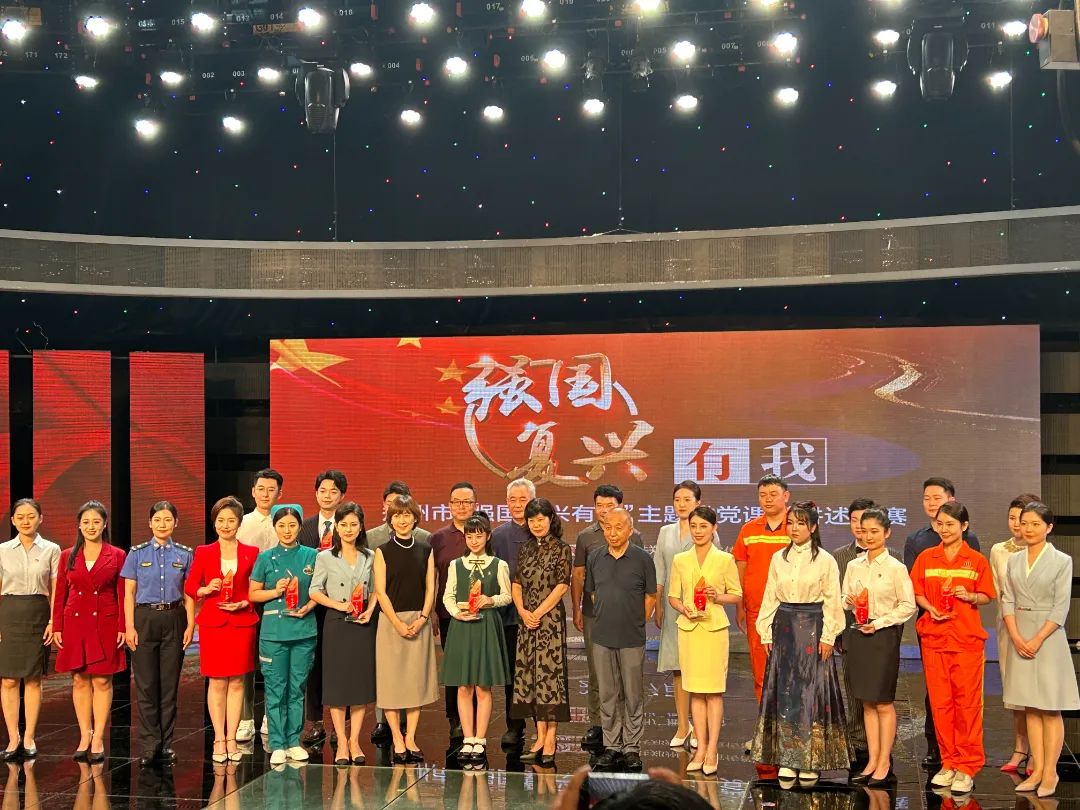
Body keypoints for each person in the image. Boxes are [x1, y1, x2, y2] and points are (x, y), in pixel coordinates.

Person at [751, 500, 848, 783]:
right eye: (790, 523)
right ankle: (787, 757)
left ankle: (810, 759)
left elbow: (832, 600)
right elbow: (770, 596)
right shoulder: (778, 558)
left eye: (801, 523)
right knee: (786, 692)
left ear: (813, 527)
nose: (794, 528)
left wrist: (829, 635)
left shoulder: (825, 560)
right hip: (784, 627)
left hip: (813, 626)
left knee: (811, 692)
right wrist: (765, 630)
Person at [911, 501, 994, 795]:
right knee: (941, 704)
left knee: (967, 705)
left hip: (966, 640)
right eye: (940, 524)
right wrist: (930, 607)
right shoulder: (926, 557)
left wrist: (970, 596)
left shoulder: (976, 560)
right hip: (934, 639)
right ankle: (949, 762)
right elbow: (917, 591)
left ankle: (967, 765)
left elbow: (987, 595)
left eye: (950, 524)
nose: (944, 529)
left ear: (964, 526)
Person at [1001, 502, 1080, 797]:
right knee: (1030, 706)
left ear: (1049, 527)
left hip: (1048, 638)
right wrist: (1015, 635)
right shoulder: (1014, 560)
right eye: (1025, 523)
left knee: (1049, 706)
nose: (1029, 529)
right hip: (1019, 633)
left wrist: (1036, 639)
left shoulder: (1061, 560)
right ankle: (1036, 770)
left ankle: (1050, 772)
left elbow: (1061, 607)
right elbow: (1007, 599)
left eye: (1035, 524)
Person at [903, 477, 981, 770]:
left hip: (962, 629)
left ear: (952, 500)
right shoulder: (916, 541)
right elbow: (913, 586)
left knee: (963, 694)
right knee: (935, 690)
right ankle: (936, 747)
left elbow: (979, 586)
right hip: (931, 625)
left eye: (937, 498)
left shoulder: (970, 540)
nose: (931, 503)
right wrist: (930, 607)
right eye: (927, 498)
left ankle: (964, 754)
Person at [841, 508, 916, 786]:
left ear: (887, 533)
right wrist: (848, 600)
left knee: (883, 701)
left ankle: (884, 760)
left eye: (875, 531)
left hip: (883, 636)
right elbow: (843, 599)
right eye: (865, 531)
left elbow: (908, 605)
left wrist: (881, 623)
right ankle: (872, 760)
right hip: (858, 633)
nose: (869, 536)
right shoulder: (854, 566)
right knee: (866, 702)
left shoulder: (896, 567)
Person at [666, 506, 741, 776]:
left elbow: (737, 594)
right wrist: (683, 608)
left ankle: (712, 750)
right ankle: (699, 749)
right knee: (695, 691)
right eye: (694, 526)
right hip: (689, 629)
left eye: (704, 526)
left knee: (714, 692)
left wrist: (717, 596)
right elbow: (673, 596)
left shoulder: (724, 559)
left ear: (714, 528)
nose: (698, 531)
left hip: (714, 629)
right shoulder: (680, 559)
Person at [184, 496, 259, 764]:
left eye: (231, 520)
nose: (226, 525)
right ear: (214, 522)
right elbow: (191, 586)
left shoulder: (251, 552)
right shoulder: (204, 551)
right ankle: (218, 738)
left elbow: (256, 588)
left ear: (239, 523)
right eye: (221, 520)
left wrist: (245, 602)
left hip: (241, 623)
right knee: (217, 681)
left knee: (237, 681)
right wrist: (206, 589)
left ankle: (232, 738)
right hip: (214, 624)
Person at [121, 501, 196, 767]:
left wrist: (190, 625)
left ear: (176, 523)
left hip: (174, 618)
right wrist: (129, 627)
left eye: (167, 519)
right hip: (144, 619)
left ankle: (165, 744)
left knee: (169, 685)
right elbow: (129, 593)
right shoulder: (136, 554)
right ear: (150, 523)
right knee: (146, 685)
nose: (162, 524)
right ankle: (149, 744)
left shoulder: (185, 554)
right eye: (157, 520)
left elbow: (189, 594)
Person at [52, 501, 127, 762]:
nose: (91, 527)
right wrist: (57, 625)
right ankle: (85, 735)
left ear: (104, 524)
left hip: (106, 622)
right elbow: (60, 593)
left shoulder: (117, 555)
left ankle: (98, 738)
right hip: (75, 622)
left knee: (102, 680)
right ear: (79, 525)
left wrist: (123, 626)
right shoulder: (67, 555)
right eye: (86, 522)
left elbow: (122, 593)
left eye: (96, 522)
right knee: (80, 679)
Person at [571, 484, 644, 749]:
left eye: (609, 506)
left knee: (626, 675)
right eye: (599, 505)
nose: (603, 511)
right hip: (595, 615)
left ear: (621, 507)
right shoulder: (585, 537)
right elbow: (578, 575)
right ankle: (598, 724)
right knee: (597, 671)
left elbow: (641, 579)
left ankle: (624, 726)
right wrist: (576, 608)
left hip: (625, 616)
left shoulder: (635, 537)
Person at [585, 507, 656, 773]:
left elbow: (651, 597)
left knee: (633, 694)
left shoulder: (642, 558)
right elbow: (593, 593)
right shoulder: (595, 557)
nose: (612, 532)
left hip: (631, 636)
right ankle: (612, 745)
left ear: (630, 529)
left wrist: (636, 620)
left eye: (618, 527)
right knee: (607, 693)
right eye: (608, 527)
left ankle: (632, 747)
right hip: (602, 636)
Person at [440, 511, 512, 768]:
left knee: (483, 686)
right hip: (462, 626)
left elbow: (507, 596)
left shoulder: (498, 565)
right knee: (463, 686)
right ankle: (467, 738)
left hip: (486, 625)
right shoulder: (456, 565)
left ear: (487, 537)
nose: (474, 541)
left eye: (478, 536)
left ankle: (480, 739)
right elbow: (447, 596)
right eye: (470, 536)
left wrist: (489, 600)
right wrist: (456, 612)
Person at [250, 505, 319, 766]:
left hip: (303, 631)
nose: (287, 530)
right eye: (282, 526)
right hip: (274, 634)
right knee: (276, 688)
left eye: (292, 525)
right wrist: (275, 591)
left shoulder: (312, 556)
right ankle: (278, 743)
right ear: (274, 528)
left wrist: (309, 606)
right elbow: (253, 593)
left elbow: (320, 590)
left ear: (300, 527)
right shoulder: (265, 558)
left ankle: (293, 741)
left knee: (297, 688)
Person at [309, 501, 377, 767]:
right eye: (344, 524)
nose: (349, 529)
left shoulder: (370, 556)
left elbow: (376, 590)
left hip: (362, 623)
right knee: (337, 686)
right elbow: (315, 590)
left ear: (361, 527)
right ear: (336, 527)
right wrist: (338, 605)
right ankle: (340, 741)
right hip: (337, 623)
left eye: (353, 524)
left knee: (359, 685)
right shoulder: (325, 557)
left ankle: (354, 741)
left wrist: (369, 610)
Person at [373, 494, 439, 764]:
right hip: (391, 623)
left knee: (415, 683)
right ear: (391, 519)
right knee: (391, 684)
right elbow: (380, 591)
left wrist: (423, 618)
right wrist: (397, 623)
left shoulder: (425, 549)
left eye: (407, 515)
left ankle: (410, 737)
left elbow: (431, 587)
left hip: (418, 621)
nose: (402, 520)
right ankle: (397, 739)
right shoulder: (382, 551)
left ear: (415, 518)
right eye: (397, 515)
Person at [654, 481, 715, 753]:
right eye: (677, 499)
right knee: (678, 668)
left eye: (687, 499)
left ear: (698, 503)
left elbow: (715, 568)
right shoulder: (665, 532)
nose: (681, 504)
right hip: (672, 606)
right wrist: (658, 604)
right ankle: (682, 725)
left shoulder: (706, 530)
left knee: (697, 667)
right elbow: (659, 570)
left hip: (700, 608)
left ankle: (700, 727)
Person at [512, 497, 572, 768]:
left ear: (550, 519)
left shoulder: (561, 549)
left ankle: (551, 739)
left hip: (549, 621)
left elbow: (562, 586)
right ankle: (538, 736)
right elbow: (516, 583)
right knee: (531, 677)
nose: (536, 524)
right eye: (532, 520)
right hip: (527, 621)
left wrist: (537, 612)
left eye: (541, 519)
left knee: (550, 678)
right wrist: (523, 612)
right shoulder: (525, 549)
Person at [0, 498, 59, 760]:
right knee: (9, 679)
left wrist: (53, 621)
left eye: (31, 516)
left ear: (40, 518)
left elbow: (56, 588)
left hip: (38, 613)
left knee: (34, 678)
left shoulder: (51, 549)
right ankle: (13, 737)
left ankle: (30, 737)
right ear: (13, 520)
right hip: (9, 613)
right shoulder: (2, 550)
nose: (26, 521)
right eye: (20, 517)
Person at [297, 470, 348, 746]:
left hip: (341, 605)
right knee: (313, 664)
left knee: (341, 663)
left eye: (333, 491)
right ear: (316, 493)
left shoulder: (349, 525)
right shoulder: (304, 526)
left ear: (342, 496)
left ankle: (344, 725)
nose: (327, 496)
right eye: (322, 491)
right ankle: (315, 722)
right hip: (311, 605)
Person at [990, 493, 1040, 775]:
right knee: (1015, 692)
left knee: (1036, 692)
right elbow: (997, 590)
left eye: (1022, 519)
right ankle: (1020, 748)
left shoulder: (1044, 553)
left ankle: (1038, 752)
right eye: (1012, 518)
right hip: (1007, 628)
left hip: (1036, 630)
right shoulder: (999, 550)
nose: (1017, 524)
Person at [235, 469, 284, 745]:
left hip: (277, 600)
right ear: (253, 492)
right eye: (261, 489)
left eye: (271, 489)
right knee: (246, 661)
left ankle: (269, 715)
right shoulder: (241, 523)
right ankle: (245, 718)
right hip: (248, 600)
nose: (266, 494)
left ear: (280, 493)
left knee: (273, 661)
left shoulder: (285, 522)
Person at [734, 475, 791, 707]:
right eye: (763, 495)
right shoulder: (749, 530)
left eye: (773, 494)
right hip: (756, 611)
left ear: (786, 496)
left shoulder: (797, 527)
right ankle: (764, 722)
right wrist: (740, 605)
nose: (767, 499)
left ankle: (789, 723)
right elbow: (740, 568)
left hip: (790, 610)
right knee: (760, 669)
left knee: (790, 669)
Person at [429, 482, 478, 745]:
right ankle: (455, 720)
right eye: (456, 502)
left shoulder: (483, 534)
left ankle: (476, 719)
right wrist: (432, 611)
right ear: (449, 506)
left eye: (467, 502)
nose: (461, 506)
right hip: (449, 614)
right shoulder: (438, 538)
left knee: (478, 668)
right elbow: (432, 577)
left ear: (475, 505)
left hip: (480, 613)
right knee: (454, 667)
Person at [490, 477, 535, 751]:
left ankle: (543, 728)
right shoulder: (497, 536)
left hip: (539, 616)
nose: (518, 505)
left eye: (523, 499)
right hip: (507, 616)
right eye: (513, 500)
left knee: (539, 673)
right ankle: (514, 726)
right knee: (512, 673)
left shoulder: (542, 530)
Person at [832, 497, 876, 767]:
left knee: (878, 691)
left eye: (865, 521)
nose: (860, 526)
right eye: (854, 520)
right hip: (849, 632)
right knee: (852, 686)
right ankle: (858, 739)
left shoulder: (893, 557)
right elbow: (832, 596)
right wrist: (837, 633)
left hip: (880, 634)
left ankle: (880, 741)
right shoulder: (839, 556)